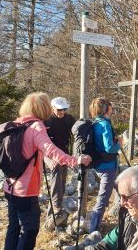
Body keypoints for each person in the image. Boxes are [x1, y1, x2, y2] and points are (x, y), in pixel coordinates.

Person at [0, 92, 92, 250]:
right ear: (45, 108)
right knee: (30, 229)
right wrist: (76, 160)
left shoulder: (11, 126)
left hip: (9, 186)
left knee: (14, 227)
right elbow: (52, 151)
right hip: (26, 190)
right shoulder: (35, 127)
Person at [89, 97, 123, 233]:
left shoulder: (96, 123)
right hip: (108, 166)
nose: (112, 107)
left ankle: (126, 215)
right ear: (106, 109)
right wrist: (119, 144)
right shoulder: (105, 124)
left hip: (99, 165)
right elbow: (109, 148)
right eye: (110, 105)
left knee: (118, 189)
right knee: (102, 199)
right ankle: (93, 230)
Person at [43, 97, 76, 229]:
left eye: (64, 109)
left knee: (62, 181)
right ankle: (56, 208)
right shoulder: (47, 120)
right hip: (50, 154)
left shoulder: (69, 119)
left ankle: (57, 211)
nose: (62, 112)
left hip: (64, 153)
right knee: (56, 178)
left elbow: (75, 132)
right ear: (53, 108)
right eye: (59, 110)